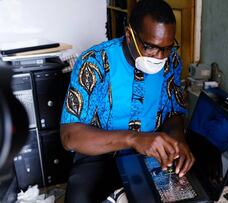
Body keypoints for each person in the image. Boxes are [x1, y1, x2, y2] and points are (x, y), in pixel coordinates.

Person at [60, 0, 194, 202]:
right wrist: (134, 138)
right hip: (100, 155)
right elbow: (70, 137)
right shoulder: (94, 62)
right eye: (150, 47)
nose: (159, 57)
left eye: (167, 48)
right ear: (130, 35)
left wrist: (179, 140)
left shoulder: (172, 60)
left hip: (151, 154)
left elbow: (174, 111)